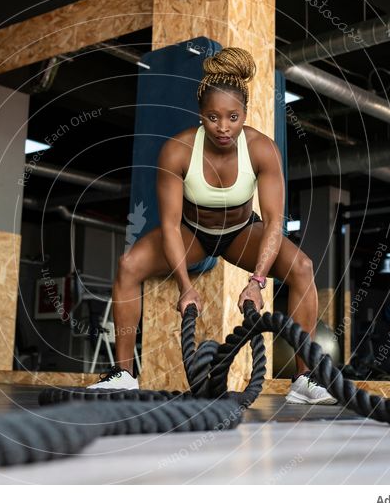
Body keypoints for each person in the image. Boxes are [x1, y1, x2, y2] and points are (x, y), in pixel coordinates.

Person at [88, 47, 336, 405]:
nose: (224, 128)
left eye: (233, 117)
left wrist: (257, 282)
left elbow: (272, 225)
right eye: (213, 117)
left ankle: (303, 378)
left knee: (302, 268)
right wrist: (185, 287)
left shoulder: (262, 150)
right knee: (129, 265)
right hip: (191, 233)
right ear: (200, 115)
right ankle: (124, 374)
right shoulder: (178, 150)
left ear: (245, 114)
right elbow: (170, 227)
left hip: (241, 234)